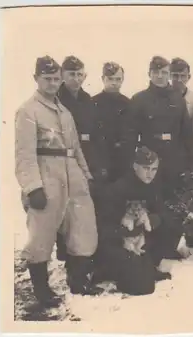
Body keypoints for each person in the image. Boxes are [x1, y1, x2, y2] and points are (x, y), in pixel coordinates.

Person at [15, 56, 100, 308]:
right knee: (41, 234)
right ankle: (42, 291)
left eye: (55, 79)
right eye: (47, 79)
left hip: (72, 173)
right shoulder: (28, 111)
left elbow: (75, 148)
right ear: (36, 79)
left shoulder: (64, 111)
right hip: (46, 174)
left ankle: (78, 282)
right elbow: (24, 155)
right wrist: (32, 187)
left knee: (82, 227)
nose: (52, 83)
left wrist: (87, 175)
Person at [126, 55, 193, 258]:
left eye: (164, 72)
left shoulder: (177, 98)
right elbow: (131, 134)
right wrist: (134, 162)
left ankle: (169, 248)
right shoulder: (139, 100)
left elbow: (186, 133)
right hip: (150, 162)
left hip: (174, 160)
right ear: (149, 74)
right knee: (152, 203)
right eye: (156, 72)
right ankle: (151, 248)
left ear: (169, 75)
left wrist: (191, 161)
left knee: (174, 205)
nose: (160, 76)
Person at [93, 146, 182, 295]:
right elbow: (103, 227)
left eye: (154, 169)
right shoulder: (118, 189)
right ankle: (110, 271)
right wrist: (125, 231)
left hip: (140, 240)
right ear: (135, 167)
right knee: (142, 287)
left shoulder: (153, 187)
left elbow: (163, 214)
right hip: (119, 243)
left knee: (171, 225)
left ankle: (149, 264)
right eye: (146, 168)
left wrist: (152, 220)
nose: (150, 174)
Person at [55, 55, 110, 263]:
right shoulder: (57, 99)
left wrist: (100, 164)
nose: (76, 79)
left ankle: (86, 257)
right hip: (65, 159)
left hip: (89, 157)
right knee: (65, 209)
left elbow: (96, 133)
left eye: (80, 74)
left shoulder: (87, 100)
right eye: (72, 74)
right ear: (62, 75)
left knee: (86, 209)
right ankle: (65, 255)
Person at [91, 61, 131, 183]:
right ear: (103, 79)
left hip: (121, 162)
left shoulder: (128, 104)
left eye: (118, 79)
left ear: (123, 80)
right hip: (99, 161)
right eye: (110, 79)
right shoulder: (93, 103)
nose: (114, 83)